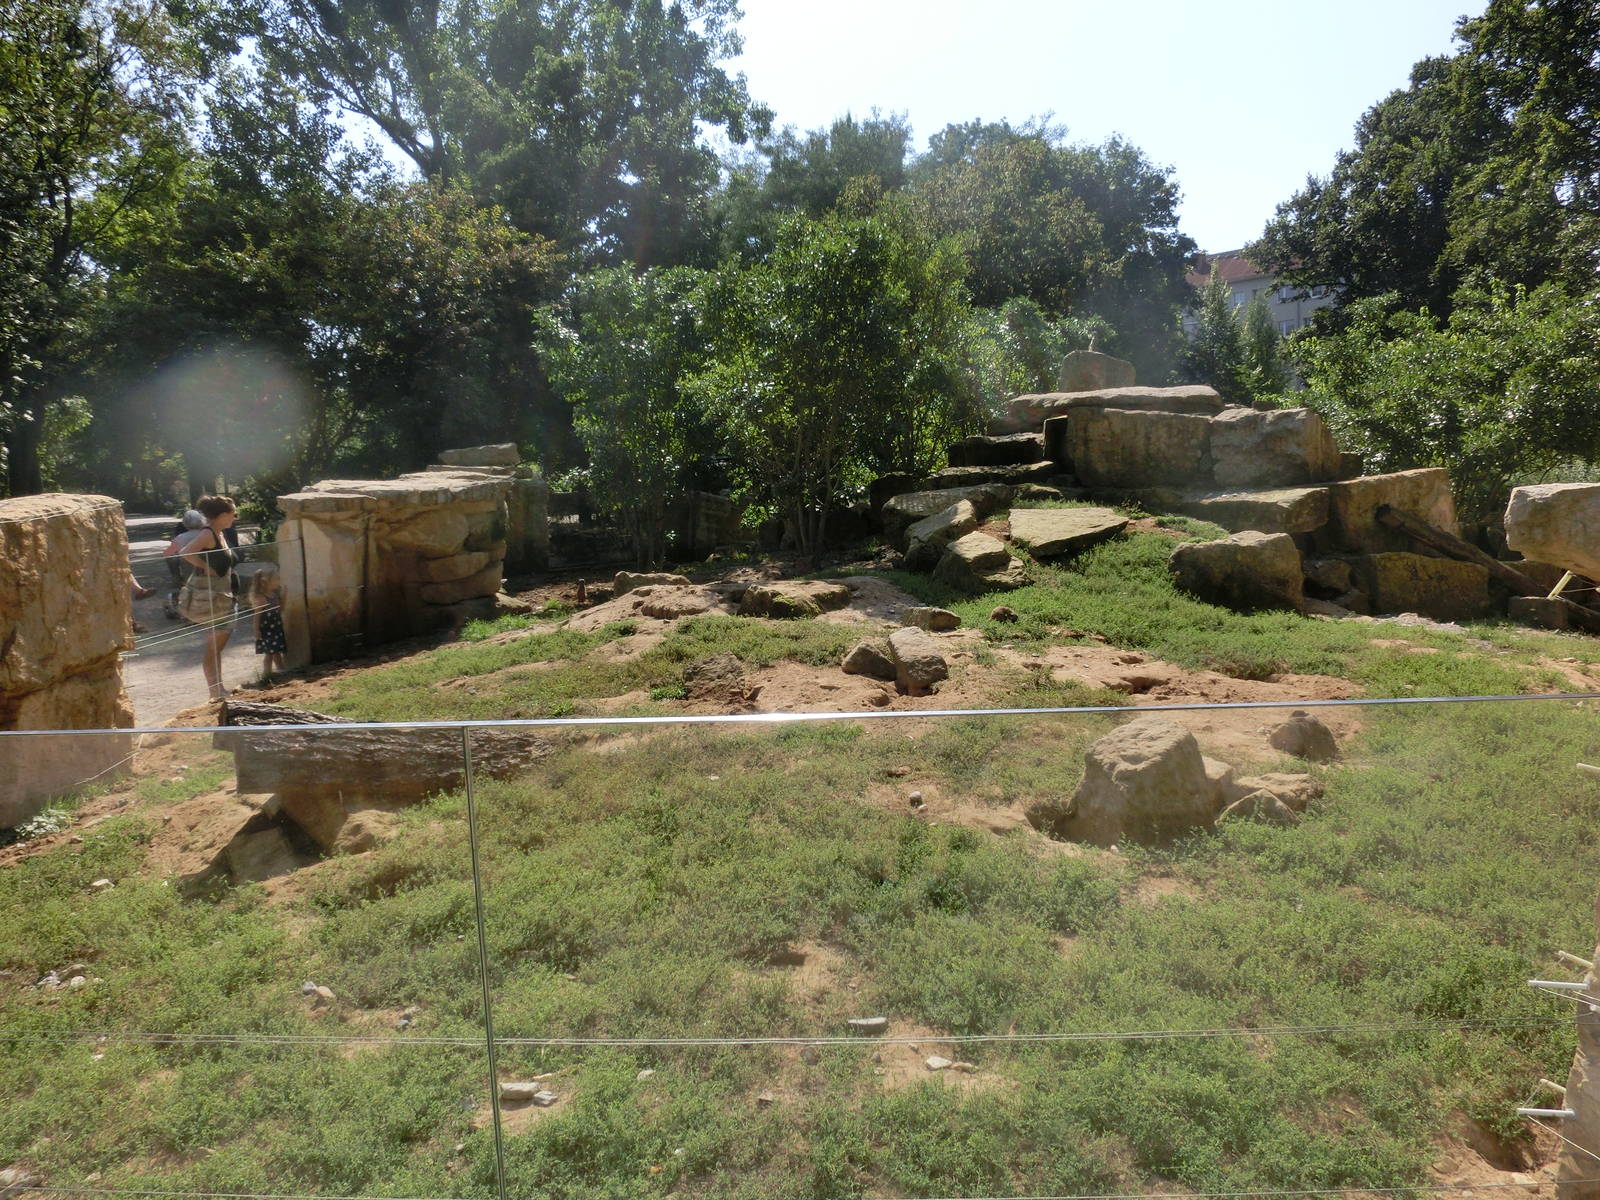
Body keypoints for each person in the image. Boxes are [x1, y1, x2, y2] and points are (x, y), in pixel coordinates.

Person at [179, 495, 238, 700]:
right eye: (233, 514)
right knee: (213, 647)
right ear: (222, 515)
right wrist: (207, 568)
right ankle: (215, 692)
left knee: (218, 647)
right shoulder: (208, 534)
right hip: (213, 598)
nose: (235, 517)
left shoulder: (220, 533)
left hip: (223, 596)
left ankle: (219, 689)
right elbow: (185, 553)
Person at [161, 509, 205, 620]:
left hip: (189, 572)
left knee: (175, 561)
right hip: (207, 570)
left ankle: (177, 579)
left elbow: (167, 554)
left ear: (185, 523)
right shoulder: (207, 535)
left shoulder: (180, 538)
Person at [249, 563, 287, 678]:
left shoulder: (274, 595)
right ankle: (266, 675)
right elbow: (257, 616)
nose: (279, 581)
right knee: (270, 653)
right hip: (267, 629)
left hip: (275, 627)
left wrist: (285, 596)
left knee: (276, 652)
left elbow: (281, 609)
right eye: (277, 579)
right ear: (266, 582)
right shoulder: (261, 598)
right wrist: (256, 630)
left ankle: (281, 671)